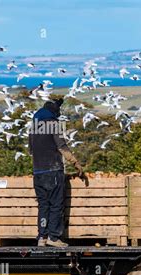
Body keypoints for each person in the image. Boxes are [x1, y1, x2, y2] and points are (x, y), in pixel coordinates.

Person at [29, 98, 83, 247]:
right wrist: (75, 163)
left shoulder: (33, 128)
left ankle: (42, 237)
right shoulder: (53, 125)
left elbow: (31, 150)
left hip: (38, 172)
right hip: (53, 171)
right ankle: (54, 237)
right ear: (53, 112)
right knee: (56, 205)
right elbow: (62, 147)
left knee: (43, 205)